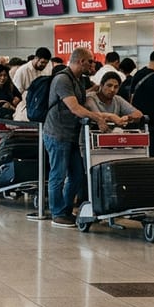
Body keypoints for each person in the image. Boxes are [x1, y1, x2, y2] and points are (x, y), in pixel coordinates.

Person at [43, 49, 110, 228]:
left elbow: (83, 104)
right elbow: (75, 108)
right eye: (90, 62)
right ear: (80, 61)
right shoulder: (62, 79)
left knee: (77, 174)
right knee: (58, 174)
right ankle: (57, 213)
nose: (92, 65)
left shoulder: (79, 80)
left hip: (71, 133)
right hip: (57, 133)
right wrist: (99, 119)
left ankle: (65, 209)